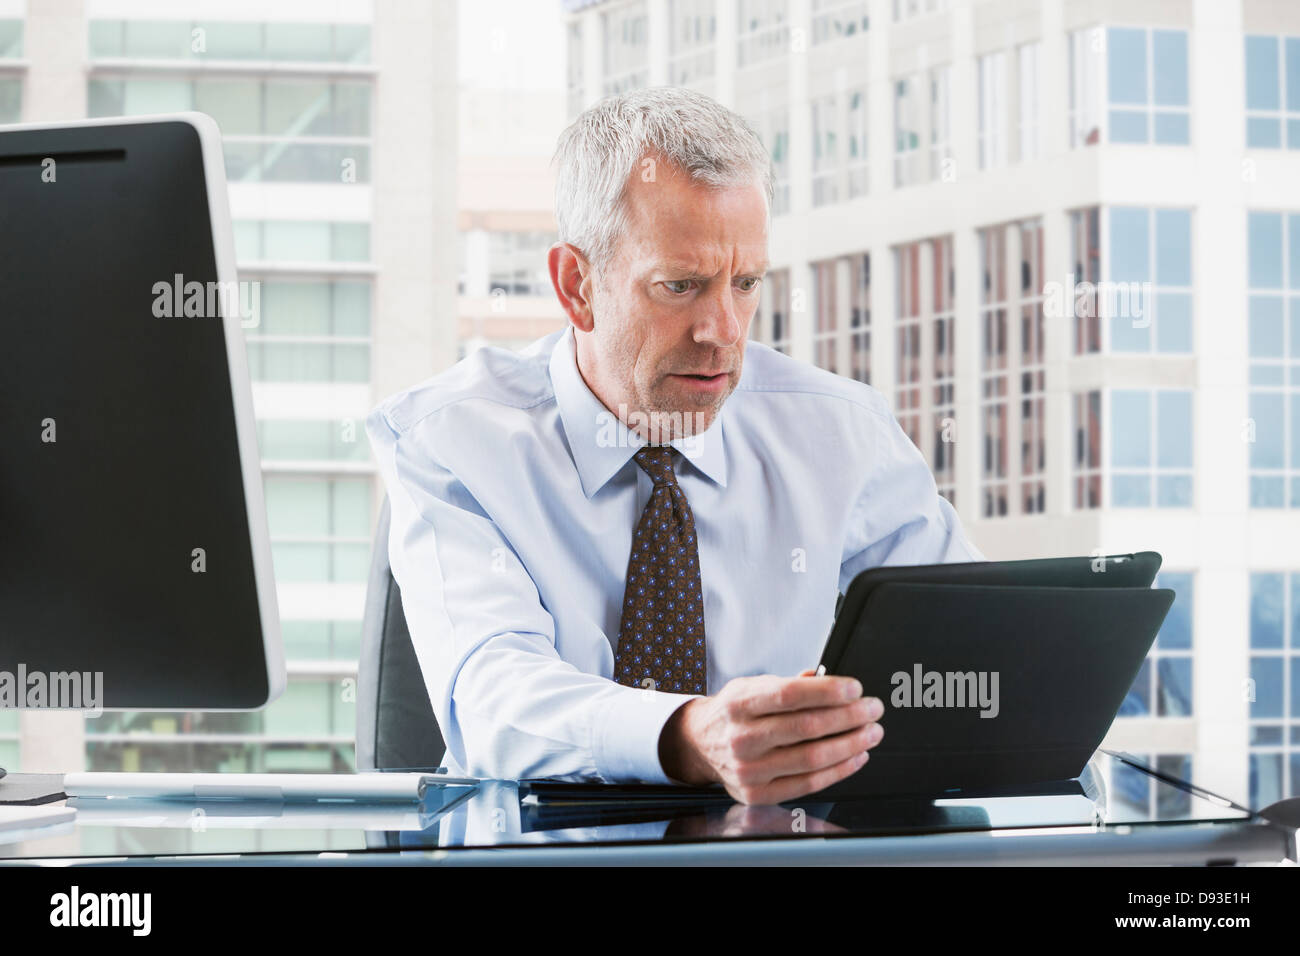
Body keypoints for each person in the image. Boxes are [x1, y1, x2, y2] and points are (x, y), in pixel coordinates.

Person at [367, 87, 984, 805]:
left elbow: (970, 653)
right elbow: (493, 697)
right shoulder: (451, 440)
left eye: (745, 283)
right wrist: (689, 736)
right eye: (681, 285)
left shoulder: (842, 434)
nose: (722, 329)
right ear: (577, 285)